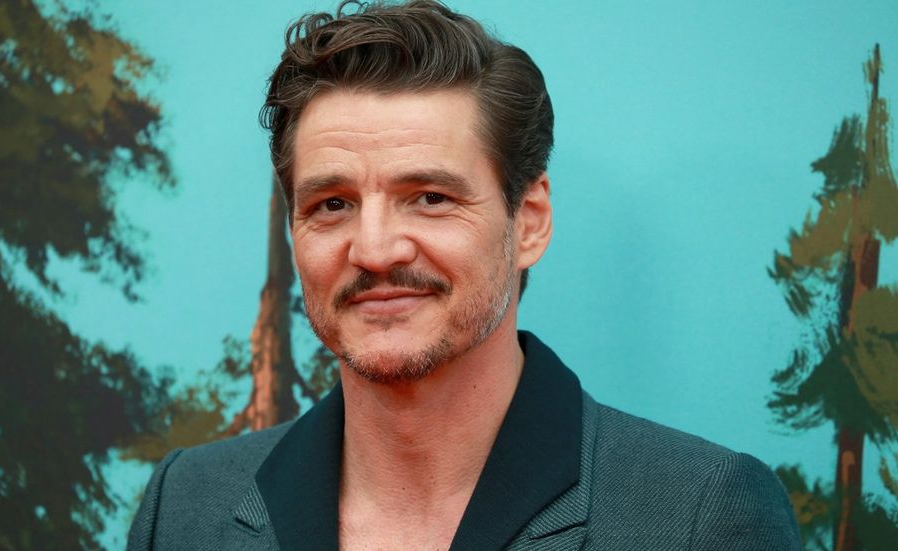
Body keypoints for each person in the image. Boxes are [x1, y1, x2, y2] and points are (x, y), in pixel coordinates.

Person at [128, 1, 802, 549]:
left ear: (529, 221)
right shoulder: (186, 506)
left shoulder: (698, 514)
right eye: (332, 204)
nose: (375, 250)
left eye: (430, 197)